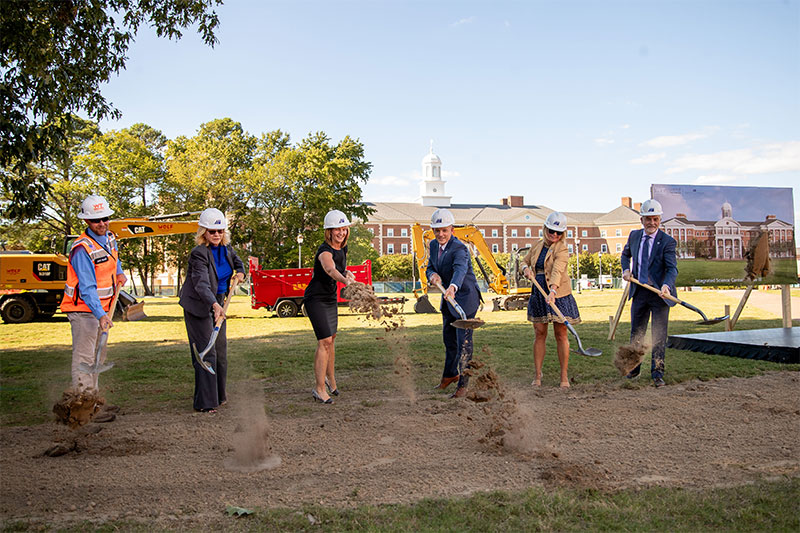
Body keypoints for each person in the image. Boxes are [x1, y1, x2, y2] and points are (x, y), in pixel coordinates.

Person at [61, 195, 128, 418]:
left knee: (98, 358)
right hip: (84, 311)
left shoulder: (110, 238)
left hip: (102, 311)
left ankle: (95, 403)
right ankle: (82, 408)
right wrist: (100, 315)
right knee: (84, 360)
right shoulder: (81, 249)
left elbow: (114, 259)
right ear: (86, 222)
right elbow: (88, 288)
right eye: (95, 220)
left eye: (105, 218)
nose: (101, 224)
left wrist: (119, 273)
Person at [179, 208, 245, 412]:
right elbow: (201, 284)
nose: (217, 235)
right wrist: (214, 306)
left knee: (220, 350)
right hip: (199, 304)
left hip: (218, 301)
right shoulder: (199, 254)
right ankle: (205, 403)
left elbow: (238, 263)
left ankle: (219, 395)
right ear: (203, 233)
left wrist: (241, 272)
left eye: (220, 231)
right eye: (212, 231)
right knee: (206, 352)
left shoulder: (227, 248)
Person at [621, 199, 678, 388]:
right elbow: (625, 255)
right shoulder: (634, 236)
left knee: (658, 335)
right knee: (637, 332)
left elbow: (672, 269)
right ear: (642, 219)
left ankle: (657, 372)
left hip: (660, 294)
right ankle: (634, 368)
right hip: (640, 292)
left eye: (655, 219)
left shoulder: (667, 242)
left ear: (660, 219)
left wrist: (666, 286)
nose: (652, 223)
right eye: (648, 219)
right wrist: (626, 270)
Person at [426, 208, 481, 399]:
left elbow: (460, 270)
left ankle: (463, 385)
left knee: (463, 342)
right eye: (437, 230)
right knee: (448, 340)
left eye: (444, 230)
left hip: (464, 298)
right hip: (448, 300)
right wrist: (432, 274)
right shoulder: (433, 245)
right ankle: (450, 375)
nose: (440, 234)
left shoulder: (460, 249)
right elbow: (430, 266)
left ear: (452, 230)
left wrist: (453, 287)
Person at [521, 211, 580, 388]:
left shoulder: (561, 248)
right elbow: (524, 261)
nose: (554, 235)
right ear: (545, 228)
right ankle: (538, 376)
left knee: (561, 334)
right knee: (540, 333)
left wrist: (553, 290)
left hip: (558, 294)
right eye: (551, 231)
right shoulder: (537, 246)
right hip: (538, 294)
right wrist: (525, 269)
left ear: (563, 233)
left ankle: (564, 377)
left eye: (558, 232)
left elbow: (558, 270)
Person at [304, 210, 355, 404]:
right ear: (329, 231)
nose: (341, 232)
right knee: (324, 341)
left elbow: (340, 268)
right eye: (337, 229)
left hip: (330, 298)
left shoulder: (343, 248)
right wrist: (344, 281)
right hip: (315, 298)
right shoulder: (324, 250)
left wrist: (348, 274)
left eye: (344, 228)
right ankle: (318, 388)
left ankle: (330, 380)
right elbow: (329, 269)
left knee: (331, 340)